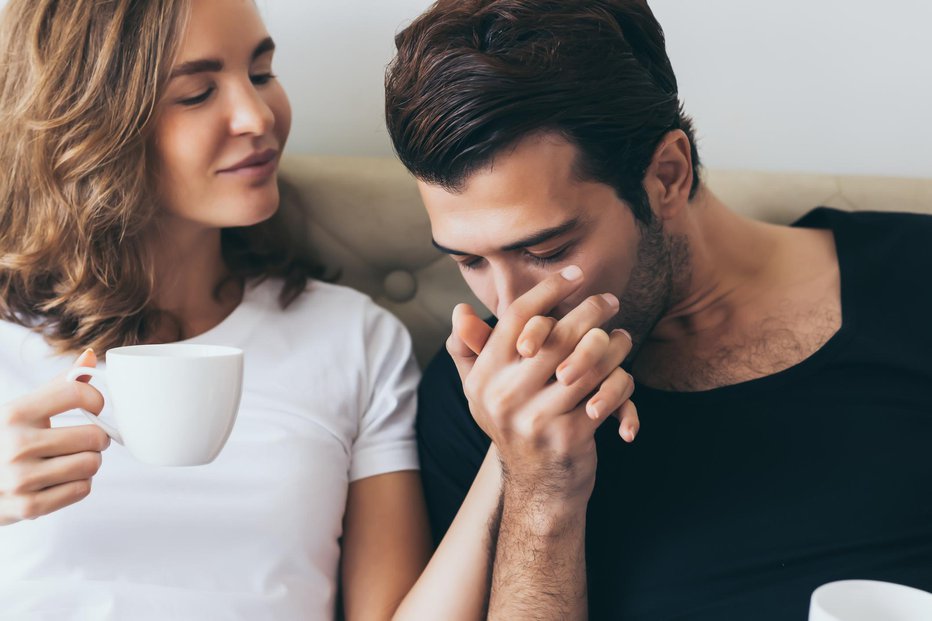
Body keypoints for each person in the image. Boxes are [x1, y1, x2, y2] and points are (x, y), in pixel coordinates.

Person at [384, 0, 932, 619]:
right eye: (469, 262)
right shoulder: (484, 400)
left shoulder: (915, 277)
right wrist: (539, 486)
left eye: (546, 249)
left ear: (667, 175)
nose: (512, 312)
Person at [0, 0, 510, 619]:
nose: (257, 115)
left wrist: (518, 461)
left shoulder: (351, 338)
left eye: (262, 74)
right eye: (196, 93)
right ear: (90, 124)